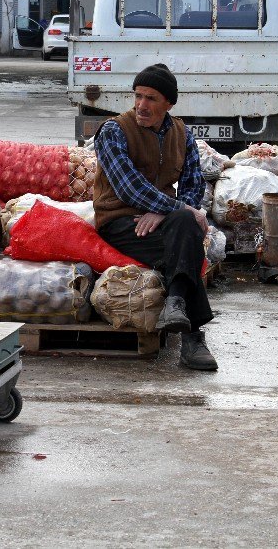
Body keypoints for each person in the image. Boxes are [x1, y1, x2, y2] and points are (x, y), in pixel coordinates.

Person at [93, 64, 218, 371]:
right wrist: (174, 208)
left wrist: (169, 211)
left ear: (168, 104)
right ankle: (192, 338)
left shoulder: (182, 134)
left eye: (150, 98)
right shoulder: (113, 131)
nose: (141, 105)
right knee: (185, 240)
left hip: (160, 220)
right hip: (119, 220)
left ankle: (175, 305)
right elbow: (128, 187)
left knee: (186, 226)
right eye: (138, 96)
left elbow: (193, 184)